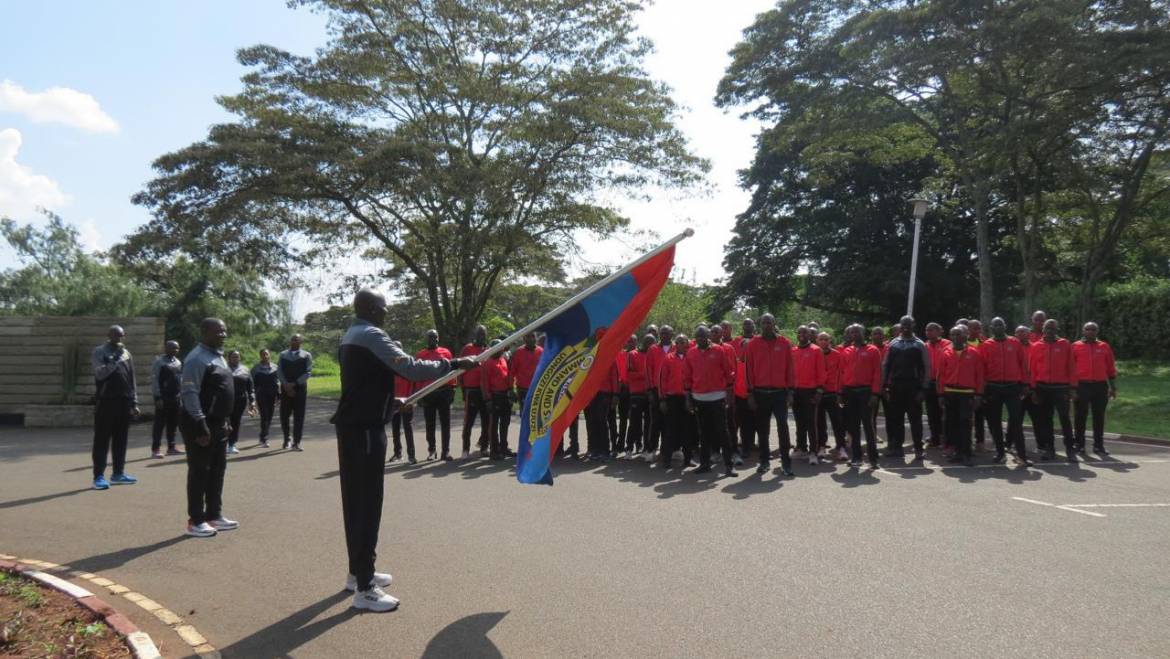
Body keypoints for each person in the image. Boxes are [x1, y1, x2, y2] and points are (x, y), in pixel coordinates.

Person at [331, 288, 471, 612]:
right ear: (368, 308)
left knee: (357, 504)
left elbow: (362, 382)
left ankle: (358, 572)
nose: (386, 312)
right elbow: (410, 367)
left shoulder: (352, 335)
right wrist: (454, 364)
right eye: (382, 307)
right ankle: (364, 590)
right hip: (364, 431)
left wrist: (386, 401)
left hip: (358, 426)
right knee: (366, 505)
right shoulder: (371, 334)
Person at [179, 318, 238, 537]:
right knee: (199, 471)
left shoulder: (219, 357)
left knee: (217, 470)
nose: (223, 334)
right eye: (218, 331)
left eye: (224, 331)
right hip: (200, 422)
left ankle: (214, 514)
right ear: (204, 332)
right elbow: (189, 393)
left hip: (219, 422)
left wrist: (226, 420)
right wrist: (200, 424)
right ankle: (196, 520)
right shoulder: (196, 359)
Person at [745, 313, 795, 475]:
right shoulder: (753, 344)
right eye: (764, 323)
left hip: (780, 393)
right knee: (763, 429)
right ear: (760, 325)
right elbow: (748, 370)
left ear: (774, 323)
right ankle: (764, 461)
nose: (767, 325)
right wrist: (750, 394)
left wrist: (790, 392)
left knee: (783, 426)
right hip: (760, 393)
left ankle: (786, 462)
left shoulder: (785, 343)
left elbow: (790, 369)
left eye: (769, 322)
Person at [91, 325, 141, 490]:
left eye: (121, 336)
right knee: (102, 440)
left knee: (121, 440)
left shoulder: (127, 354)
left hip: (124, 402)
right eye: (115, 335)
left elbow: (132, 380)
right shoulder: (100, 351)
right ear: (109, 335)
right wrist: (114, 361)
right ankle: (98, 476)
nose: (118, 339)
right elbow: (99, 374)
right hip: (106, 401)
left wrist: (134, 402)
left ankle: (118, 473)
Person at [684, 325, 736, 477]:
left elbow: (728, 372)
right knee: (704, 433)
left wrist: (730, 392)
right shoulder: (691, 353)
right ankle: (705, 464)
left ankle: (729, 465)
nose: (700, 339)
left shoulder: (719, 351)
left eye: (703, 336)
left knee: (723, 432)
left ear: (708, 336)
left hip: (718, 397)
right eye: (697, 336)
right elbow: (686, 377)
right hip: (699, 398)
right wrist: (688, 399)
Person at [979, 318, 1031, 466]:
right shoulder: (986, 345)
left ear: (1005, 326)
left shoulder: (1015, 342)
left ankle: (1021, 456)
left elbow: (1023, 364)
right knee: (994, 422)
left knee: (1016, 422)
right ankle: (1000, 453)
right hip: (993, 388)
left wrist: (1026, 384)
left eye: (1000, 324)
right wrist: (982, 390)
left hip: (1012, 387)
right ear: (991, 327)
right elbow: (981, 369)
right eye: (995, 325)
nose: (998, 327)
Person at [881, 316, 931, 460]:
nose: (906, 327)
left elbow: (926, 367)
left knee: (915, 420)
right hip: (895, 386)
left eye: (909, 324)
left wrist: (924, 389)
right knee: (896, 419)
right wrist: (884, 386)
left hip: (913, 387)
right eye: (903, 324)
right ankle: (897, 448)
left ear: (914, 325)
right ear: (900, 326)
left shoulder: (919, 344)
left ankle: (918, 449)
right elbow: (886, 366)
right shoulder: (893, 343)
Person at [1029, 319, 1078, 462]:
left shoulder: (1065, 344)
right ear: (1042, 329)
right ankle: (1049, 449)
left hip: (1061, 388)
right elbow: (1032, 369)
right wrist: (1033, 389)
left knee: (1065, 419)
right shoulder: (1036, 346)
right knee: (1046, 420)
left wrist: (1073, 388)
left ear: (1057, 330)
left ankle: (1070, 449)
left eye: (1053, 328)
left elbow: (1071, 367)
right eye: (1047, 328)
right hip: (1042, 388)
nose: (1050, 331)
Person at [937, 325, 985, 466]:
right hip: (949, 393)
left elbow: (980, 376)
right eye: (952, 334)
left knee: (965, 423)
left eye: (958, 334)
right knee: (952, 424)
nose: (955, 337)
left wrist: (979, 395)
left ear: (965, 335)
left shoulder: (974, 353)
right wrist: (940, 394)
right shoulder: (945, 352)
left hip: (967, 394)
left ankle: (966, 453)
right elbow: (940, 376)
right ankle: (957, 452)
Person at [839, 325, 882, 469]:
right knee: (853, 427)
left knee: (868, 426)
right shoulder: (846, 351)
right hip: (850, 393)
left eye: (857, 331)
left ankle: (873, 458)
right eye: (852, 332)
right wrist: (840, 392)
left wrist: (875, 393)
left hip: (866, 393)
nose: (854, 334)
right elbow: (841, 374)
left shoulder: (873, 350)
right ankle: (856, 457)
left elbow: (877, 373)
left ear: (864, 333)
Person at [1072, 322, 1118, 455]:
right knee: (1080, 416)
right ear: (1083, 331)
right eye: (1088, 329)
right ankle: (1079, 445)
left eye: (1093, 329)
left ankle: (1098, 445)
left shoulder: (1104, 346)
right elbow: (1070, 368)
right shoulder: (1075, 346)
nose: (1090, 331)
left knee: (1099, 416)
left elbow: (1110, 369)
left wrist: (1113, 387)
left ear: (1097, 331)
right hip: (1081, 386)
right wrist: (1071, 388)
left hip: (1100, 386)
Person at [417, 330, 455, 461]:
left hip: (444, 392)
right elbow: (418, 376)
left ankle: (446, 451)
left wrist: (452, 390)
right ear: (426, 339)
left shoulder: (446, 353)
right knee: (430, 424)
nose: (434, 339)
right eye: (431, 337)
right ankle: (432, 451)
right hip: (428, 393)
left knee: (446, 423)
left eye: (436, 337)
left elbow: (451, 372)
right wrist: (419, 396)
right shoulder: (421, 355)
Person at [791, 326, 827, 464]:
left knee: (811, 423)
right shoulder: (792, 350)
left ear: (809, 335)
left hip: (811, 391)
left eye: (804, 332)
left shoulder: (816, 350)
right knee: (799, 423)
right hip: (796, 392)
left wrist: (819, 391)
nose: (801, 334)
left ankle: (813, 451)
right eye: (799, 332)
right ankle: (801, 448)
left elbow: (821, 372)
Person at [277, 334, 313, 451]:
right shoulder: (283, 355)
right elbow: (279, 371)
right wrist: (286, 384)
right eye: (293, 339)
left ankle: (297, 442)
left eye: (297, 339)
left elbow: (308, 372)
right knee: (284, 416)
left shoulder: (306, 355)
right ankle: (287, 439)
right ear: (290, 341)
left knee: (299, 416)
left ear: (301, 341)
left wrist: (295, 383)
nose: (294, 341)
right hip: (285, 389)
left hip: (300, 389)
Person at [459, 325, 490, 458]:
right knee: (469, 422)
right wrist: (462, 389)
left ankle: (484, 447)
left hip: (484, 391)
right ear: (475, 335)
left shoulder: (488, 350)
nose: (481, 337)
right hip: (471, 391)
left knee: (486, 421)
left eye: (483, 334)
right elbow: (459, 369)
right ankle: (465, 449)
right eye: (479, 334)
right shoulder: (467, 348)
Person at [815, 331, 847, 461]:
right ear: (817, 341)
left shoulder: (837, 355)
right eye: (821, 339)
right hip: (819, 393)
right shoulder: (815, 354)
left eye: (826, 339)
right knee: (820, 422)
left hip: (833, 393)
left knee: (837, 422)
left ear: (830, 341)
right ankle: (821, 446)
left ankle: (841, 447)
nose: (823, 341)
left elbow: (841, 374)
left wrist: (840, 392)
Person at [624, 334, 656, 460]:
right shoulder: (633, 354)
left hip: (650, 394)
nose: (650, 345)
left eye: (652, 342)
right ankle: (629, 448)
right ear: (643, 342)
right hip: (636, 394)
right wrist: (646, 373)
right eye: (648, 342)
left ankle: (647, 449)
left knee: (649, 423)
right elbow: (630, 375)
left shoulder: (653, 355)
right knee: (634, 423)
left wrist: (646, 374)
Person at [150, 340, 183, 458]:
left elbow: (180, 380)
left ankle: (171, 447)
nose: (175, 350)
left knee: (173, 423)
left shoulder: (178, 362)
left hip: (176, 397)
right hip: (163, 397)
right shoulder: (159, 362)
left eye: (177, 348)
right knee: (159, 424)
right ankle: (155, 449)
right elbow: (155, 380)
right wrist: (157, 397)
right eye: (172, 348)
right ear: (166, 348)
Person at [481, 341, 513, 460]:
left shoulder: (503, 360)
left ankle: (504, 447)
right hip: (494, 397)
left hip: (504, 395)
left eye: (501, 348)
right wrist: (488, 400)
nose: (500, 350)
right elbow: (484, 383)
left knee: (505, 423)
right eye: (497, 348)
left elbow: (508, 376)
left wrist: (510, 392)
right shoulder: (487, 363)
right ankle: (494, 450)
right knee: (493, 425)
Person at [585, 358, 620, 462]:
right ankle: (595, 449)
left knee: (602, 420)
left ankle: (605, 450)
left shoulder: (609, 358)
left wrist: (615, 395)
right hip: (592, 393)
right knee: (593, 420)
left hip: (605, 393)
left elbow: (615, 377)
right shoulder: (590, 357)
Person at [731, 318, 756, 460]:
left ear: (753, 326)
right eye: (745, 323)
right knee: (735, 422)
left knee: (750, 422)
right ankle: (735, 448)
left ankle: (748, 447)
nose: (747, 326)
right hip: (737, 391)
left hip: (752, 391)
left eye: (749, 324)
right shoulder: (736, 343)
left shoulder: (758, 342)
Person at [923, 323, 951, 448]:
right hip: (929, 383)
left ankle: (945, 438)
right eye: (927, 330)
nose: (929, 332)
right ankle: (934, 437)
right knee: (931, 412)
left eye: (932, 330)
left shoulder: (947, 344)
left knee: (944, 413)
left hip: (944, 383)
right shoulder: (924, 346)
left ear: (940, 331)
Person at [225, 350, 256, 454]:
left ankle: (232, 444)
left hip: (240, 400)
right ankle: (223, 443)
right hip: (225, 400)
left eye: (237, 357)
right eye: (233, 357)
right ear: (228, 358)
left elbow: (250, 387)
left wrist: (252, 401)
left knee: (236, 422)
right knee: (225, 422)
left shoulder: (245, 370)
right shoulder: (223, 369)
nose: (235, 359)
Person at [251, 350, 279, 448]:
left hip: (272, 395)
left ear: (269, 355)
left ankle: (262, 435)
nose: (265, 356)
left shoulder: (275, 367)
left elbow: (278, 382)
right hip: (261, 394)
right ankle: (264, 438)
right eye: (263, 354)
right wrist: (252, 398)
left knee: (270, 416)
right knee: (264, 416)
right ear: (260, 356)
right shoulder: (256, 368)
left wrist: (278, 396)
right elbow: (252, 383)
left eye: (267, 354)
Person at [509, 331, 543, 410]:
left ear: (536, 338)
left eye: (533, 336)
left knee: (535, 415)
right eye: (528, 336)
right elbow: (512, 372)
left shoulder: (541, 351)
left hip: (537, 390)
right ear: (524, 338)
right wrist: (511, 389)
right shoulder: (519, 352)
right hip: (522, 390)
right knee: (524, 414)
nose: (531, 339)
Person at [389, 368, 417, 463]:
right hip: (394, 401)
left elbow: (414, 386)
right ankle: (397, 453)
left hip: (407, 401)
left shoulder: (409, 370)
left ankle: (411, 456)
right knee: (395, 428)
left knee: (407, 428)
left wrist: (412, 401)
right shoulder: (392, 370)